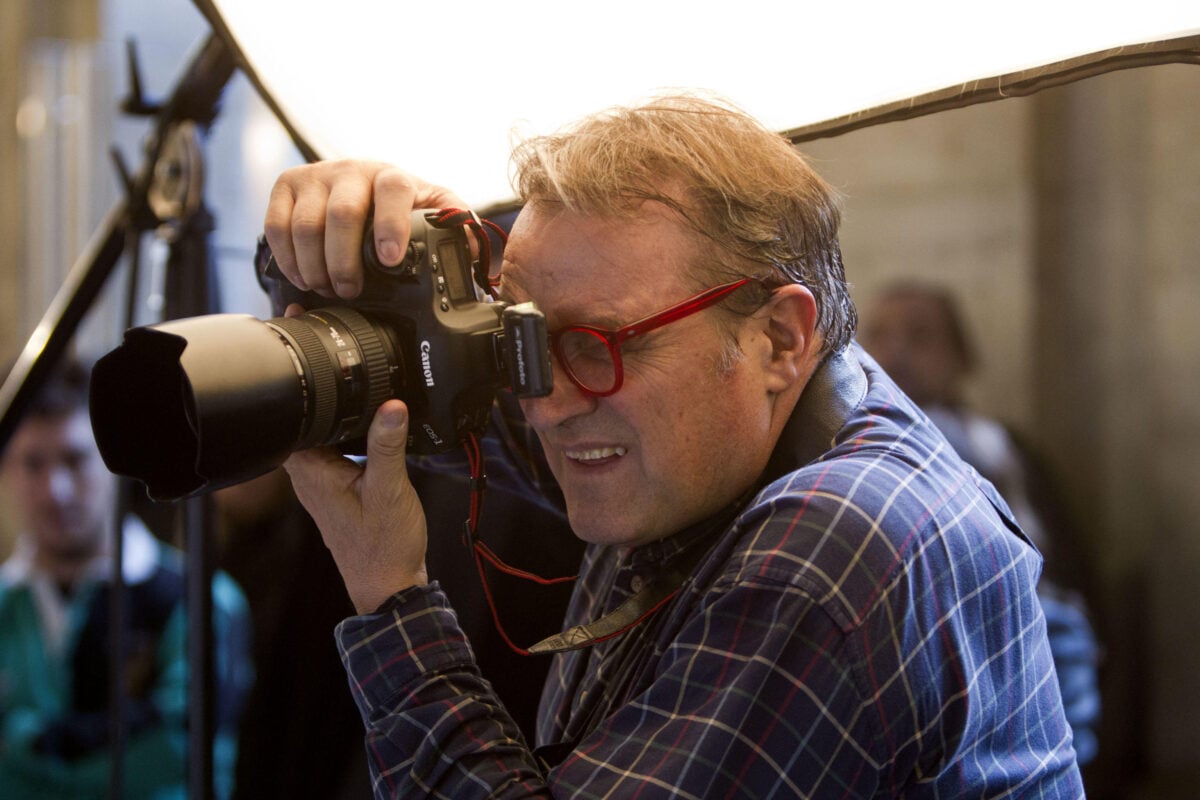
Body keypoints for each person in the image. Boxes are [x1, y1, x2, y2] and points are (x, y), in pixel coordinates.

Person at [263, 94, 1084, 797]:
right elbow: (435, 409)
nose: (546, 402)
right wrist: (369, 263)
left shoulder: (839, 541)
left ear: (778, 336)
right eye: (518, 338)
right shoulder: (725, 431)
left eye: (600, 341)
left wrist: (391, 596)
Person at [862, 280, 1103, 765]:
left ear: (961, 358)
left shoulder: (996, 449)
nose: (897, 352)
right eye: (881, 333)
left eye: (921, 335)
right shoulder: (844, 452)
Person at [0, 358, 253, 800]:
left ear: (113, 460)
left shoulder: (200, 601)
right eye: (33, 463)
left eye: (75, 460)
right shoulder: (5, 602)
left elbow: (180, 752)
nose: (55, 490)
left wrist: (22, 743)